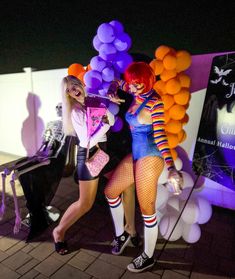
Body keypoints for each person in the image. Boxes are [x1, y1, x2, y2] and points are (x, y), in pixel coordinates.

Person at [104, 62, 183, 272]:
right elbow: (115, 82)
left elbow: (160, 136)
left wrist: (171, 166)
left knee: (146, 209)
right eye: (132, 83)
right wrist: (113, 91)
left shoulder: (155, 104)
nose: (134, 87)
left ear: (148, 81)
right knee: (110, 191)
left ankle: (148, 256)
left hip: (151, 155)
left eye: (139, 83)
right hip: (137, 153)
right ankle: (122, 235)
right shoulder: (130, 88)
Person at [52, 75, 115, 255]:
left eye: (74, 85)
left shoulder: (92, 100)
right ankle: (59, 232)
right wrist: (105, 126)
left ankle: (126, 228)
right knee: (85, 203)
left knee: (120, 183)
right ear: (68, 95)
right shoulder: (75, 111)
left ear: (80, 84)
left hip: (101, 151)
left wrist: (105, 112)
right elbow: (86, 140)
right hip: (88, 154)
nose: (73, 90)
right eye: (69, 90)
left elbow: (110, 119)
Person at [17, 102, 72, 242]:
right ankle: (35, 207)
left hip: (54, 160)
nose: (59, 109)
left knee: (34, 174)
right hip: (43, 154)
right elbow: (43, 141)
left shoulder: (70, 126)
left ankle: (36, 210)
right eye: (57, 106)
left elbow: (63, 150)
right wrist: (37, 155)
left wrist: (52, 157)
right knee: (21, 167)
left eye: (62, 107)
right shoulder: (51, 122)